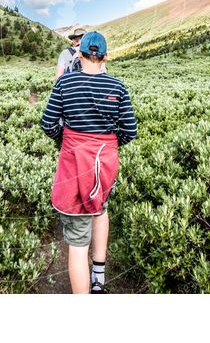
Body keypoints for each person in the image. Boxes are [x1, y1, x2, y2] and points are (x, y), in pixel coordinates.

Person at [40, 31, 137, 293]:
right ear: (105, 57)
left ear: (79, 53)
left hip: (74, 166)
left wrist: (67, 142)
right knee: (101, 209)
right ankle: (99, 279)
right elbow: (129, 131)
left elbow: (48, 124)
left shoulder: (64, 84)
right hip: (104, 167)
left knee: (77, 242)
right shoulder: (118, 87)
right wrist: (104, 147)